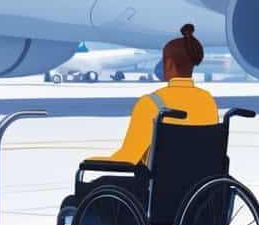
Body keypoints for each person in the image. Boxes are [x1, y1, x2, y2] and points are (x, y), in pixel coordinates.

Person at [77, 24, 218, 203]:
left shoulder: (152, 104)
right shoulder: (208, 102)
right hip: (199, 200)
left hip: (156, 197)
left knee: (85, 191)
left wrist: (90, 161)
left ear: (168, 64)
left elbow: (129, 158)